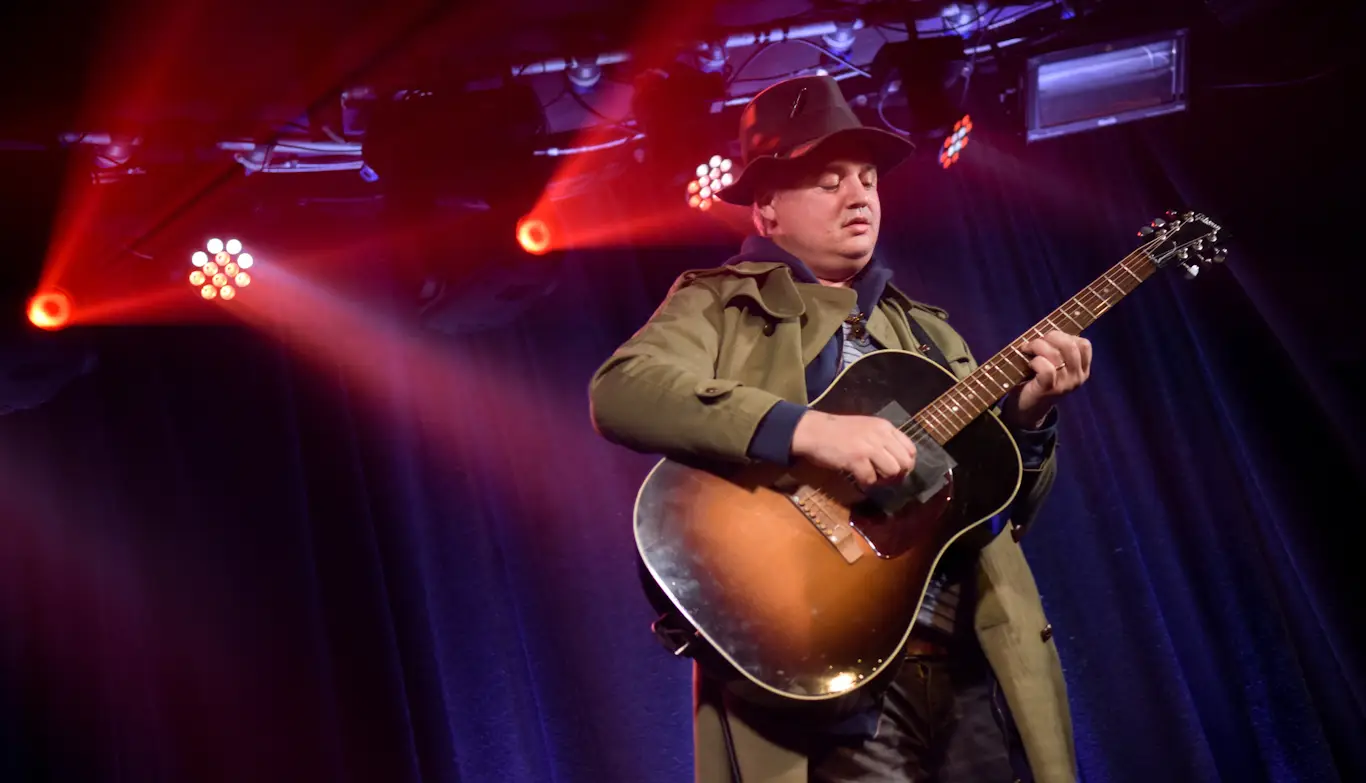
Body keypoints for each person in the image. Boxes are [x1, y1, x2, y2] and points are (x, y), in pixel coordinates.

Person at [588, 74, 1090, 783]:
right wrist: (807, 432)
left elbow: (1003, 516)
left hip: (969, 666)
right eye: (829, 181)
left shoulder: (928, 333)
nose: (859, 196)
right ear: (766, 208)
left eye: (866, 180)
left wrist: (1029, 422)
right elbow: (621, 392)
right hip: (828, 681)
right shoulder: (719, 302)